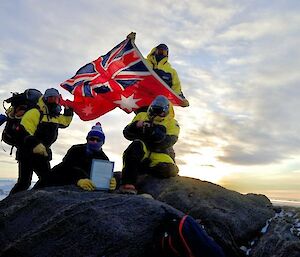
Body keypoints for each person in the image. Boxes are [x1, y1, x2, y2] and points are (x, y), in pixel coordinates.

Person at [9, 88, 73, 195]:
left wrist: (68, 110)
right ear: (45, 99)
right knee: (26, 182)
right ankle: (7, 206)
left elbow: (65, 122)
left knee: (44, 180)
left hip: (41, 153)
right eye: (50, 99)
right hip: (27, 152)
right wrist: (35, 144)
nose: (53, 101)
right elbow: (23, 131)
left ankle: (31, 200)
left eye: (56, 99)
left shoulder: (54, 116)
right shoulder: (35, 112)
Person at [119, 95, 180, 194]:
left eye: (160, 111)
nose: (156, 114)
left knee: (169, 170)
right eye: (154, 110)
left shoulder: (173, 123)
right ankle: (128, 183)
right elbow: (127, 134)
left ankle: (145, 170)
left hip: (160, 152)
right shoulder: (141, 116)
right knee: (134, 149)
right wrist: (136, 126)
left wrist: (155, 132)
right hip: (143, 148)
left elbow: (169, 141)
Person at [40, 122, 116, 191]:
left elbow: (103, 176)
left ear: (102, 142)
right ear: (87, 139)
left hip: (90, 188)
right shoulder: (76, 150)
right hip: (65, 184)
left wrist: (110, 183)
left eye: (98, 140)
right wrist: (78, 180)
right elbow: (64, 168)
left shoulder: (104, 159)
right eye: (92, 139)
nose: (95, 142)